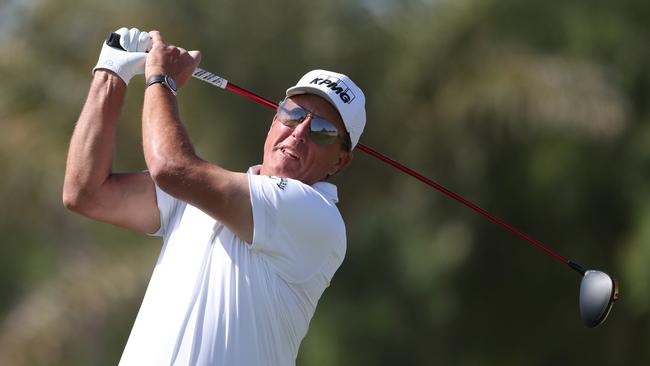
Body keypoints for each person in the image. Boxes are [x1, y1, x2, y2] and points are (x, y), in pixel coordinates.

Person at [63, 27, 366, 365]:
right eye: (292, 114)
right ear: (274, 119)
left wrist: (161, 80)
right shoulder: (198, 193)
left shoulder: (316, 216)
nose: (298, 133)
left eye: (322, 130)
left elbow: (170, 167)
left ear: (340, 160)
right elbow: (85, 192)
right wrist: (110, 74)